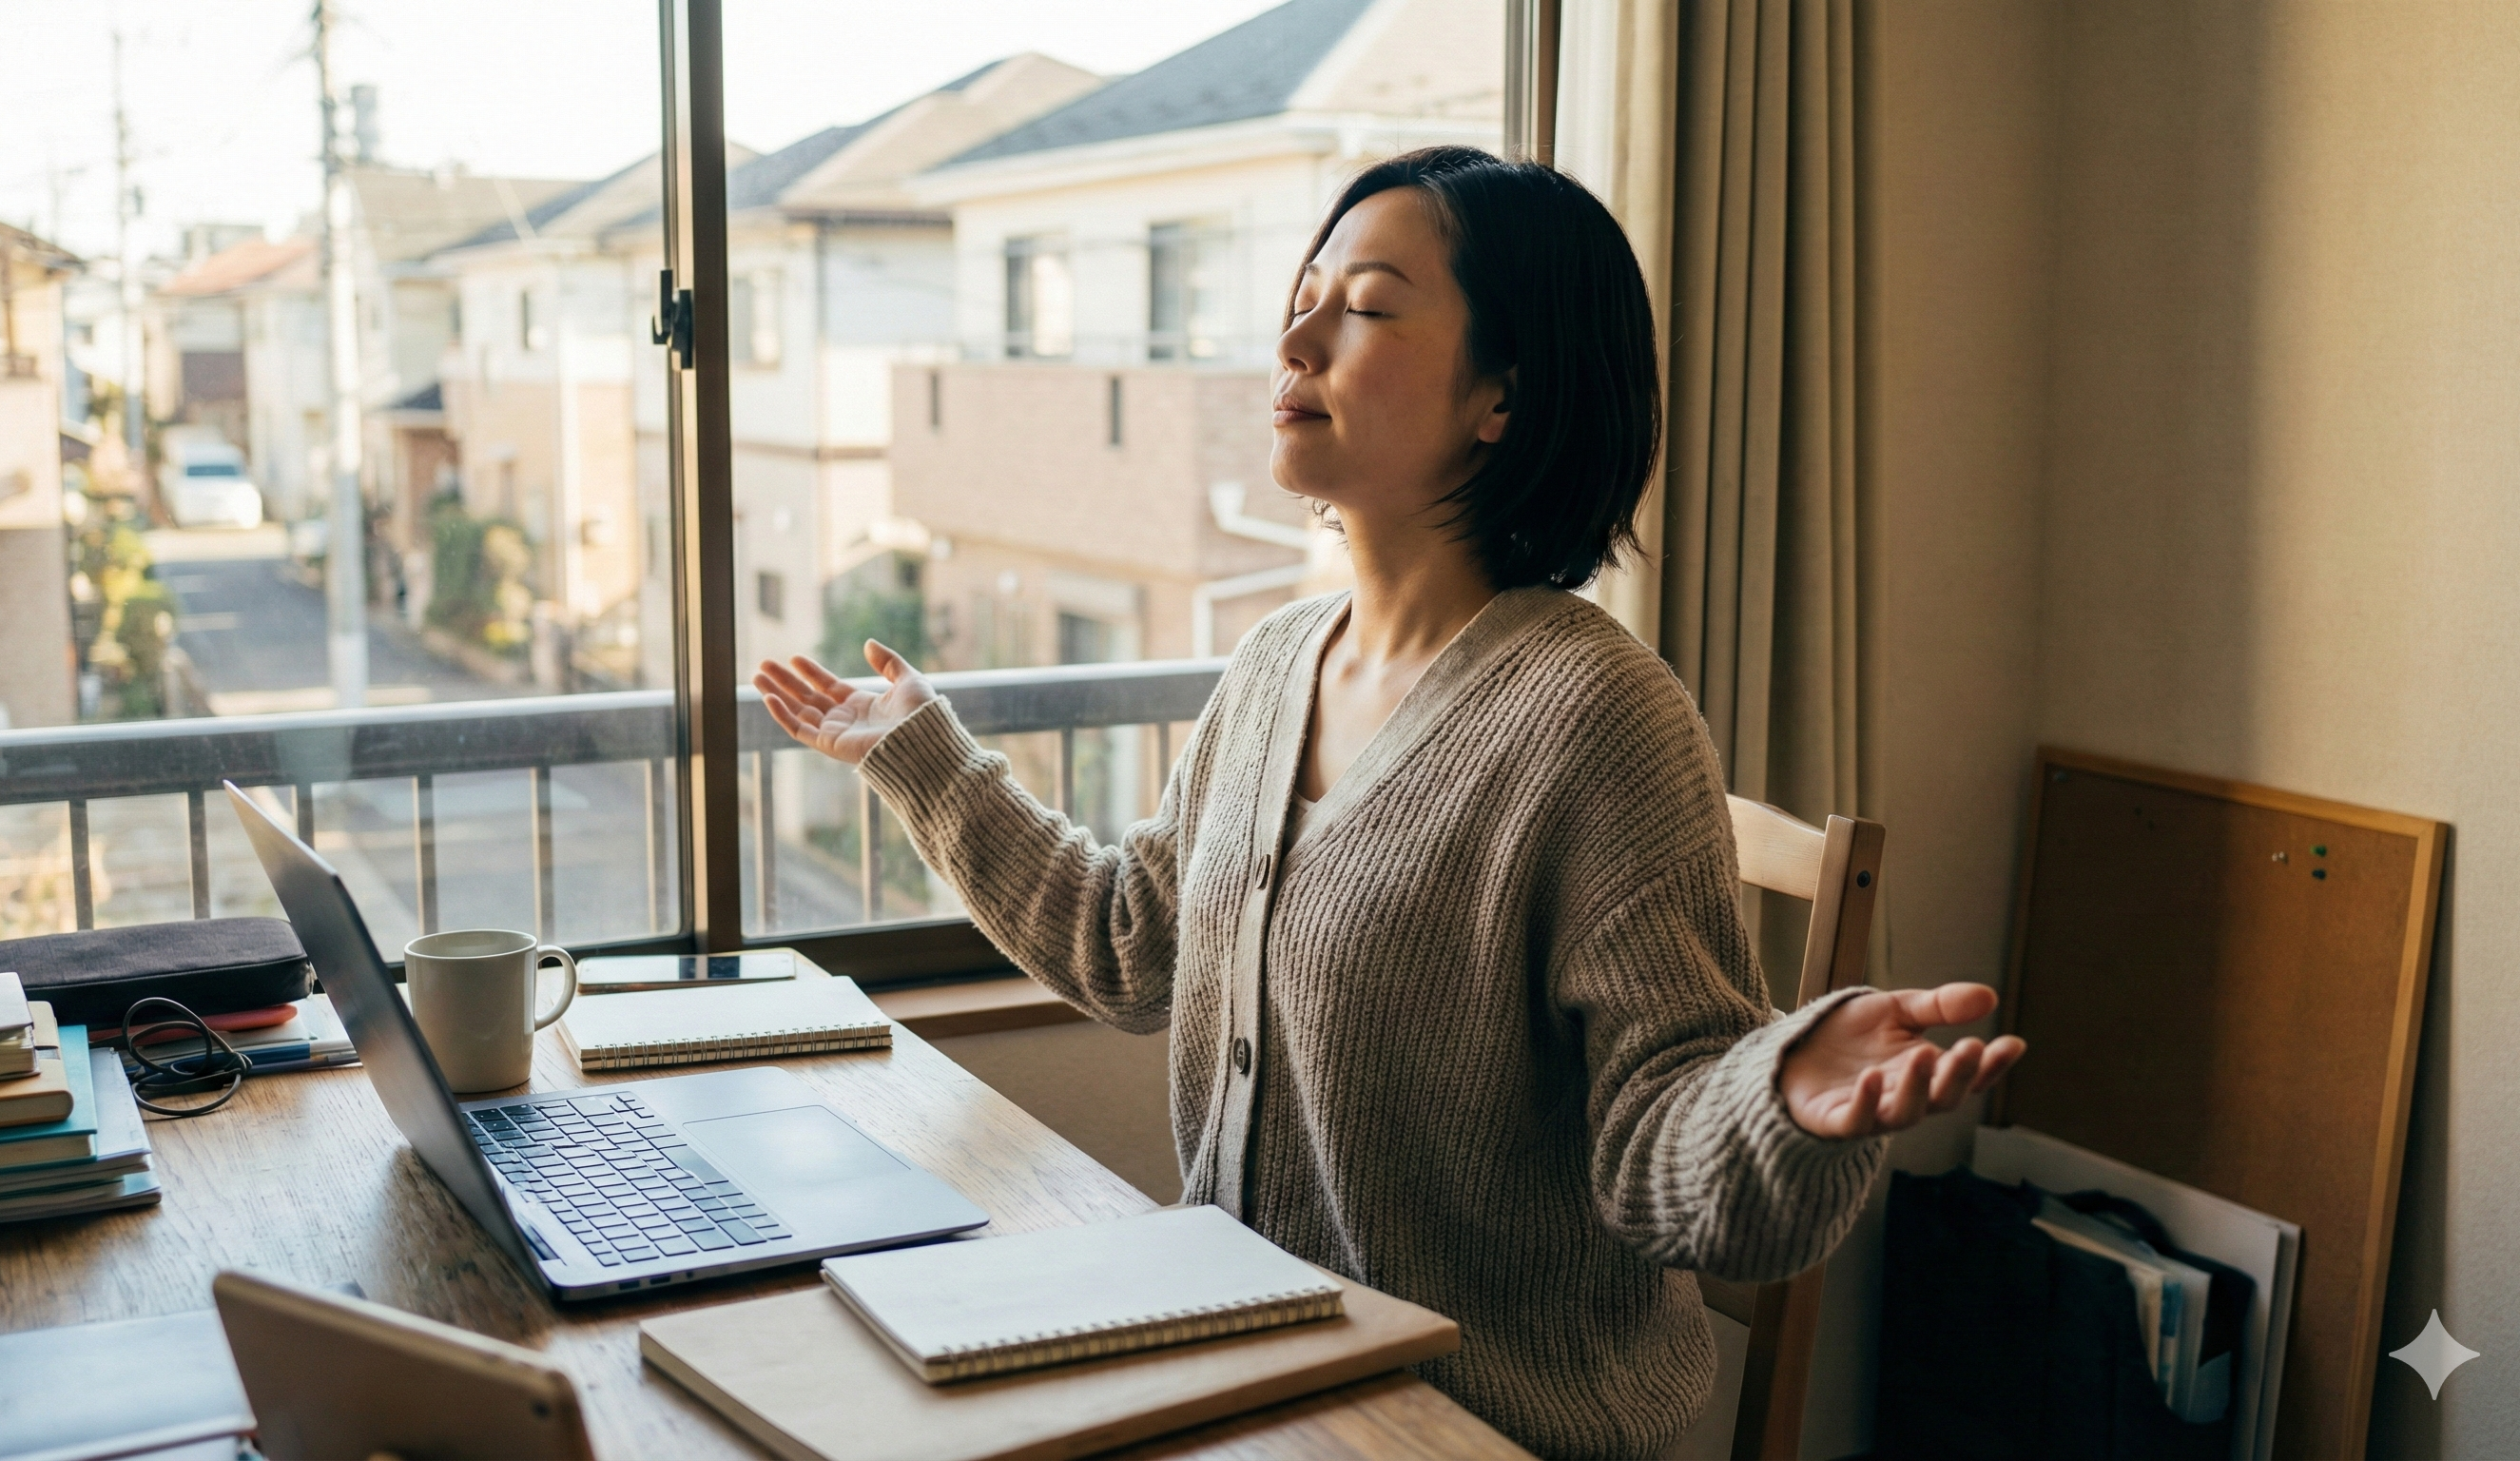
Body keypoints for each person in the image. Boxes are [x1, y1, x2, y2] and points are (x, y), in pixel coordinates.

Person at [756, 146, 2024, 1460]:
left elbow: (1664, 1141)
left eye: (1363, 306)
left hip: (1466, 1431)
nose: (1296, 334)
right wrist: (921, 753)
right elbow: (1132, 945)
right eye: (1305, 294)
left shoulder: (1596, 720)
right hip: (1253, 1377)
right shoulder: (1271, 666)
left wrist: (1776, 1097)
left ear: (1502, 397)